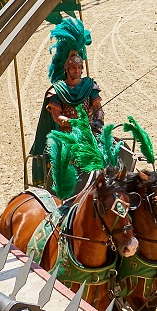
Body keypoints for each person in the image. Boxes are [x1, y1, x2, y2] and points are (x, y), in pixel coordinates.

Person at [27, 18, 102, 188]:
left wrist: (97, 121)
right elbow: (57, 117)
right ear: (66, 69)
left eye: (79, 68)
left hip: (90, 132)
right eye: (74, 68)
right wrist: (74, 123)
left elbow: (98, 108)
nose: (77, 71)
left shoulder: (90, 86)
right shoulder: (57, 91)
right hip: (66, 136)